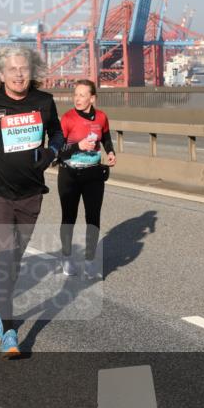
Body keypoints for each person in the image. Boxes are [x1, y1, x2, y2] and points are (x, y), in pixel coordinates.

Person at [0, 47, 63, 357]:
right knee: (6, 259)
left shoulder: (43, 102)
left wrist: (51, 152)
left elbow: (58, 134)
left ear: (32, 72)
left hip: (30, 193)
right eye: (12, 69)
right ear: (1, 74)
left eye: (24, 68)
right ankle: (9, 331)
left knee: (15, 260)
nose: (19, 74)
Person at [57, 80, 117, 277]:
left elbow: (105, 137)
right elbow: (57, 150)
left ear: (92, 98)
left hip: (93, 174)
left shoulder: (101, 117)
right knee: (69, 217)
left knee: (93, 218)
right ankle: (67, 258)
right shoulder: (67, 118)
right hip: (69, 175)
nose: (77, 98)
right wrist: (78, 146)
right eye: (76, 94)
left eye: (82, 95)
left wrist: (110, 152)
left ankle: (90, 261)